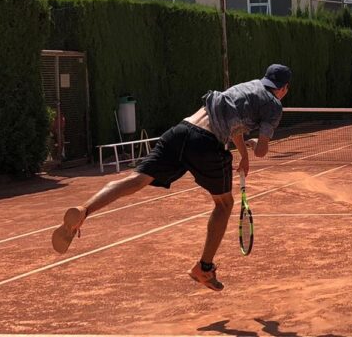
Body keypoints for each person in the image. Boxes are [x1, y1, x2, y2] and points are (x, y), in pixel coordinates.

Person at [51, 64, 292, 291]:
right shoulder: (274, 105)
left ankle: (84, 210)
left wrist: (243, 155)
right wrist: (254, 147)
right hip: (206, 142)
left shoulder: (247, 86)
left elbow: (233, 123)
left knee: (136, 180)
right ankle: (204, 268)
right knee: (224, 204)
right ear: (283, 89)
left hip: (181, 129)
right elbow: (261, 149)